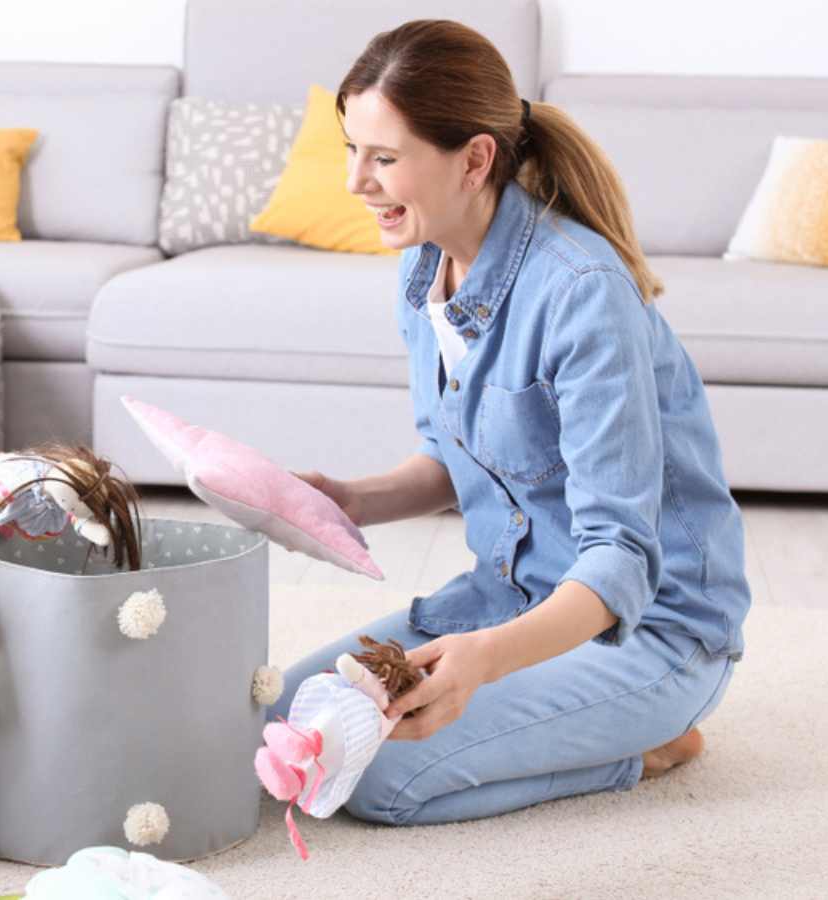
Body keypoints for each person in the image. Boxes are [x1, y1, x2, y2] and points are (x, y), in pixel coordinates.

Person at [273, 19, 751, 826]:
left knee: (383, 779)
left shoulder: (582, 293)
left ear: (475, 159)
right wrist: (349, 499)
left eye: (384, 158)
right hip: (512, 597)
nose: (357, 181)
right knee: (294, 712)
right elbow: (459, 457)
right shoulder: (424, 268)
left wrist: (482, 663)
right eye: (352, 149)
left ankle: (651, 744)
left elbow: (620, 560)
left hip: (649, 631)